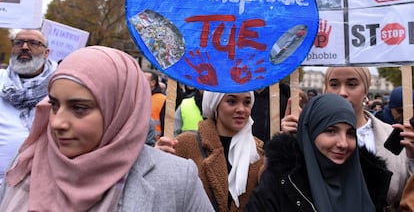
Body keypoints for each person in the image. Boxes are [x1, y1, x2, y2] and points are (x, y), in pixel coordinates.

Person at [0, 46, 214, 211]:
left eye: (79, 108)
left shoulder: (176, 179)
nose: (57, 122)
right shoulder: (24, 163)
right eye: (54, 105)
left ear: (119, 110)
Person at [281, 67, 412, 210]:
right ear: (325, 89)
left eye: (352, 84)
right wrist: (289, 144)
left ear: (366, 90)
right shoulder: (307, 136)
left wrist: (412, 159)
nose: (342, 93)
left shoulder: (393, 135)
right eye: (334, 84)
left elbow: (406, 195)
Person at [246, 93, 380, 211]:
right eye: (331, 131)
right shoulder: (278, 187)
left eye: (350, 133)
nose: (343, 143)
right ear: (310, 133)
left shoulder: (371, 183)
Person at [156, 90, 264, 211]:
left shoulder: (259, 154)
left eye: (247, 102)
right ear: (215, 104)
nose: (241, 109)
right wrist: (157, 162)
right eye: (232, 101)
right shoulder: (185, 144)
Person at [0, 29, 57, 186]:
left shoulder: (60, 85)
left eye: (33, 43)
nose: (24, 47)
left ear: (46, 53)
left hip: (40, 184)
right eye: (18, 43)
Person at [144, 70, 166, 139]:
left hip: (156, 143)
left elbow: (166, 125)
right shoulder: (138, 97)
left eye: (143, 79)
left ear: (153, 83)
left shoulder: (162, 100)